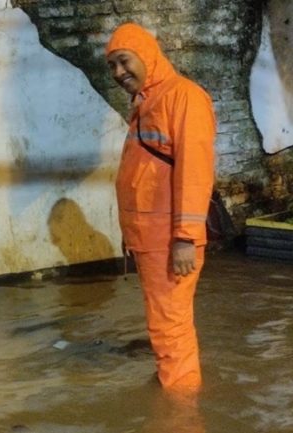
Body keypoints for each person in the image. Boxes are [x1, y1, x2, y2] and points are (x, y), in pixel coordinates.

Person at [105, 23, 216, 391]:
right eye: (112, 67)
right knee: (164, 322)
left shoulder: (183, 96)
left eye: (123, 62)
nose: (119, 73)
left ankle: (180, 412)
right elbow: (143, 175)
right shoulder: (147, 102)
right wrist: (129, 234)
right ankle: (173, 387)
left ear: (146, 53)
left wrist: (185, 237)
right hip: (150, 239)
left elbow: (194, 172)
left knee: (170, 325)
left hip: (171, 240)